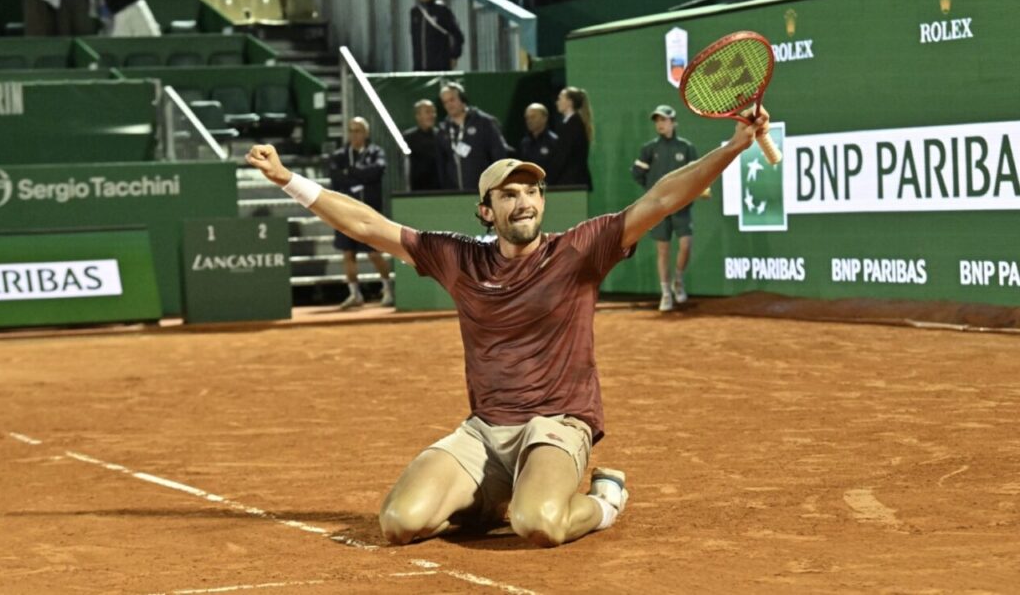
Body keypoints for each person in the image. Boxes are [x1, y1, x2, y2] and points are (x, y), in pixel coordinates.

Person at [245, 106, 770, 548]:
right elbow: (367, 224)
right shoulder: (458, 259)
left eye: (532, 192)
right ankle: (495, 496)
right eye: (509, 194)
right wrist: (289, 180)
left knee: (539, 524)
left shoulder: (579, 250)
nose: (524, 202)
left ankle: (605, 499)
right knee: (401, 523)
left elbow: (662, 199)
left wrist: (732, 146)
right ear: (486, 210)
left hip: (558, 424)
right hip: (484, 431)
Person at [631, 105, 702, 311]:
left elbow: (697, 174)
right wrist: (652, 192)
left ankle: (678, 279)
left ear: (674, 122)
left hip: (682, 205)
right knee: (662, 251)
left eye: (664, 120)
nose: (660, 124)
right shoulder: (649, 149)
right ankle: (665, 293)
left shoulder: (686, 147)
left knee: (686, 245)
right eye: (657, 120)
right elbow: (637, 172)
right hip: (658, 208)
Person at [325, 117, 394, 310]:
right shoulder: (339, 155)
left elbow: (377, 171)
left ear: (366, 133)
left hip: (370, 213)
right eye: (352, 130)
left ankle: (388, 290)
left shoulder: (376, 152)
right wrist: (362, 176)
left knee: (374, 253)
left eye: (359, 130)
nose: (355, 134)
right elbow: (336, 179)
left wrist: (352, 172)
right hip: (345, 214)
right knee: (348, 253)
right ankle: (355, 294)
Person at [436, 82, 509, 192]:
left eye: (452, 100)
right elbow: (441, 165)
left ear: (462, 98)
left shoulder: (484, 123)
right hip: (453, 194)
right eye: (445, 102)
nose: (449, 105)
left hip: (483, 191)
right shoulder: (443, 130)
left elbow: (499, 154)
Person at [409, 0, 464, 72]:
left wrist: (454, 55)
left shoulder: (442, 10)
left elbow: (457, 35)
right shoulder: (415, 11)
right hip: (419, 66)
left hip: (440, 65)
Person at [554, 86, 593, 189]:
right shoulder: (571, 124)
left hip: (572, 183)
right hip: (571, 181)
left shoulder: (573, 125)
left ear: (569, 102)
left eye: (560, 98)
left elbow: (563, 156)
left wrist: (550, 178)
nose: (557, 102)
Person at [402, 99, 443, 192]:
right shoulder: (407, 137)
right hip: (416, 190)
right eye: (428, 112)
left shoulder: (442, 136)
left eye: (433, 112)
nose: (432, 115)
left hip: (440, 190)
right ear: (418, 116)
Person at [517, 103, 563, 184]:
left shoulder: (554, 142)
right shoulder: (525, 143)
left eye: (533, 117)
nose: (529, 121)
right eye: (527, 118)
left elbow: (558, 169)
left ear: (544, 118)